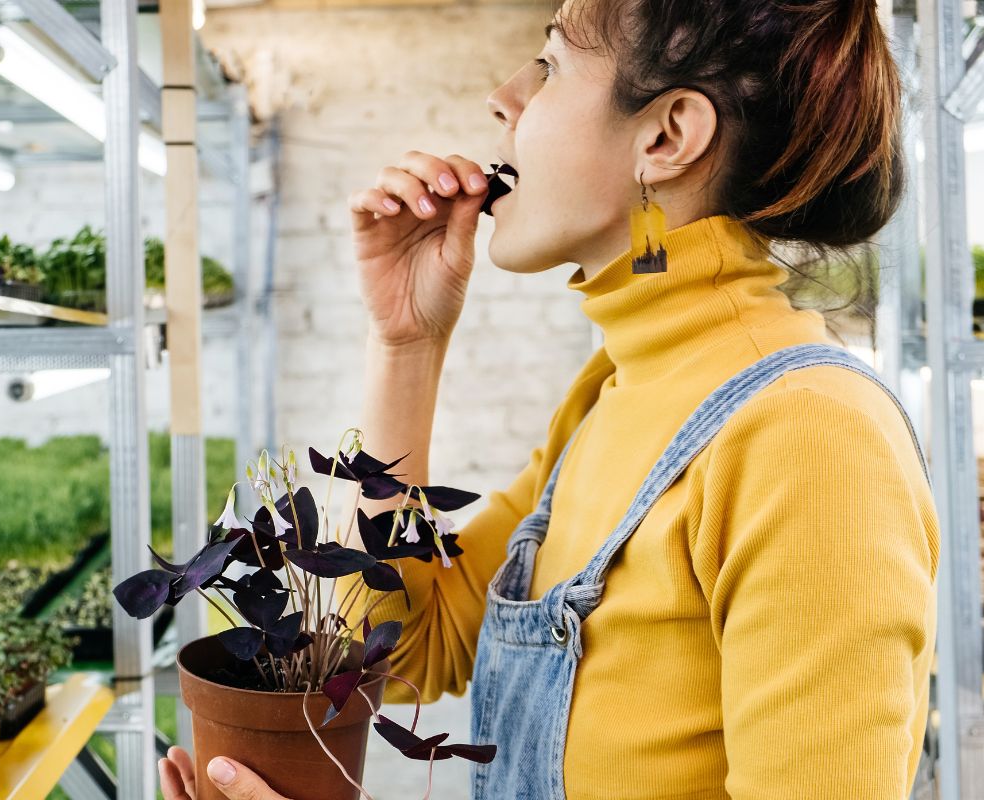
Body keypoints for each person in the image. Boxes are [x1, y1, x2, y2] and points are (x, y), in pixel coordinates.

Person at [161, 0, 938, 796]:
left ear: (667, 136)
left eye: (553, 62)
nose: (505, 95)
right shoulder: (612, 391)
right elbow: (401, 653)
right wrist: (406, 346)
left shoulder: (810, 438)